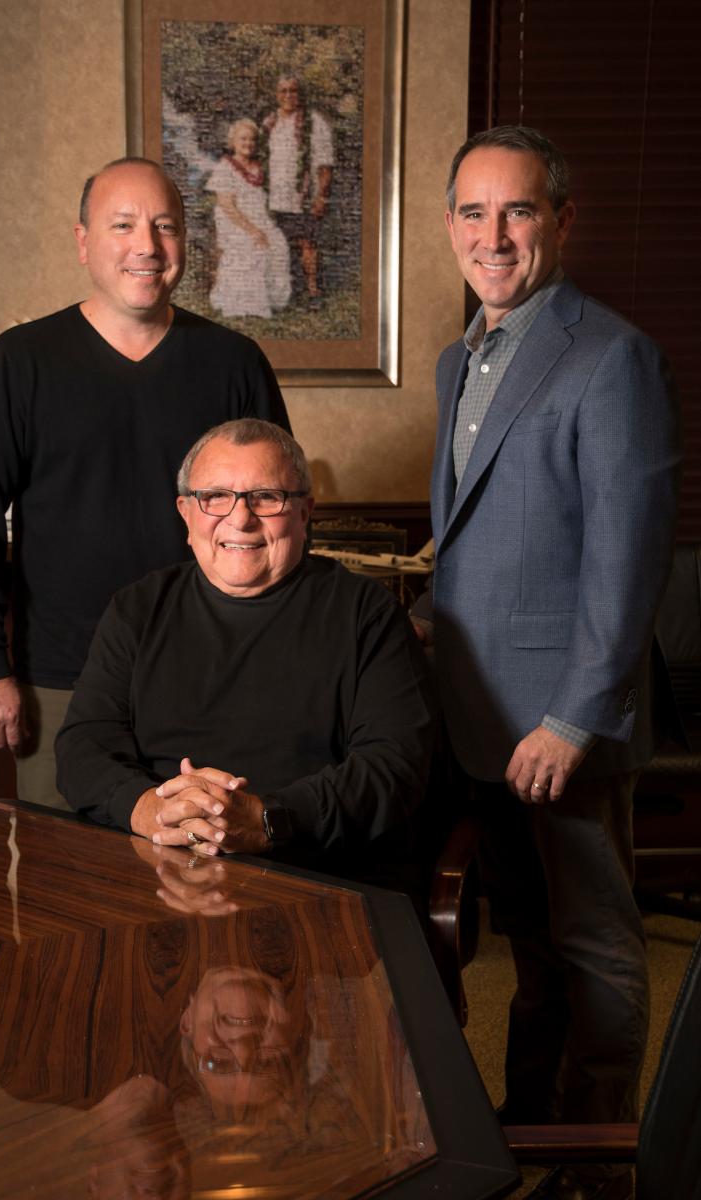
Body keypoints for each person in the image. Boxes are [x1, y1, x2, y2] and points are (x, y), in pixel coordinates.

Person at [419, 126, 680, 1200]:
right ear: (447, 228)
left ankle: (605, 1161)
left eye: (516, 211)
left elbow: (628, 555)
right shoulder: (456, 359)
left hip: (559, 727)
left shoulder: (607, 354)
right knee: (527, 950)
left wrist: (572, 718)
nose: (493, 235)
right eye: (472, 213)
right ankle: (528, 1142)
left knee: (598, 952)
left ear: (559, 222)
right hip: (481, 716)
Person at [0, 157, 289, 810]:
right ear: (82, 242)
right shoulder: (21, 363)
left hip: (218, 677)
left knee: (212, 883)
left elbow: (279, 524)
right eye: (122, 225)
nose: (146, 247)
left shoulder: (234, 364)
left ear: (185, 241)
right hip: (64, 681)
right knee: (66, 889)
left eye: (164, 226)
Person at [55, 418, 435, 885]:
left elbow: (394, 766)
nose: (240, 519)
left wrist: (265, 819)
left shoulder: (366, 612)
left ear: (304, 511)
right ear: (185, 512)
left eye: (265, 497)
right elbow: (83, 745)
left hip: (316, 876)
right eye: (214, 496)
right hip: (157, 871)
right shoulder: (138, 607)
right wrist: (149, 809)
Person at [205, 118, 291, 319]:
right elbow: (227, 206)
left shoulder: (259, 167)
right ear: (233, 142)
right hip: (236, 222)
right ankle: (245, 305)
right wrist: (253, 231)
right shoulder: (225, 168)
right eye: (243, 139)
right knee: (253, 247)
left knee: (278, 244)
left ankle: (273, 299)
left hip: (259, 219)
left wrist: (264, 225)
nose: (248, 143)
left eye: (252, 139)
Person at [262, 77, 333, 307]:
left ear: (300, 94)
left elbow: (325, 165)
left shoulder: (314, 122)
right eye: (283, 91)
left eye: (293, 91)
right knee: (278, 245)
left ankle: (313, 293)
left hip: (302, 197)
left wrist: (321, 196)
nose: (288, 95)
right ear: (276, 94)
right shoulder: (270, 123)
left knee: (307, 244)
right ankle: (285, 293)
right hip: (274, 199)